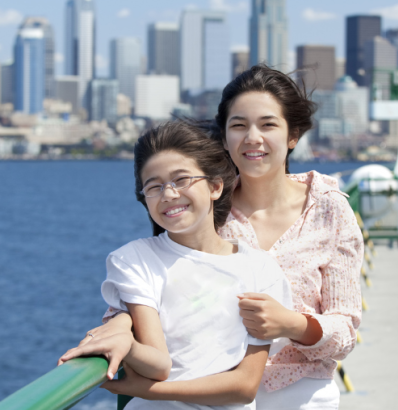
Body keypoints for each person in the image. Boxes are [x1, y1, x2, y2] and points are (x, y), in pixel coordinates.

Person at [63, 65, 364, 410]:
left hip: (300, 387)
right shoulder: (200, 204)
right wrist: (118, 324)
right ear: (223, 136)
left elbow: (344, 331)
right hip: (205, 390)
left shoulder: (328, 209)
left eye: (268, 124)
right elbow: (153, 279)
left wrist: (292, 324)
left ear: (293, 135)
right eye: (238, 125)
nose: (252, 137)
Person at [59, 120, 293, 410]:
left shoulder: (260, 269)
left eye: (181, 180)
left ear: (215, 186)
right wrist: (126, 342)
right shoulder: (135, 259)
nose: (169, 194)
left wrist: (149, 391)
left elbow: (244, 387)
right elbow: (159, 363)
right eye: (154, 187)